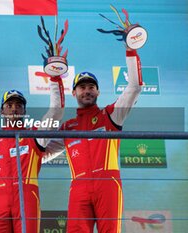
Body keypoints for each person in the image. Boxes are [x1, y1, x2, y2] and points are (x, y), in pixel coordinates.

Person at [48, 48, 142, 233]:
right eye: (82, 87)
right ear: (74, 92)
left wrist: (131, 50)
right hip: (79, 186)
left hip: (107, 183)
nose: (87, 91)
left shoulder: (110, 115)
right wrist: (53, 78)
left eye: (91, 87)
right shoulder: (68, 127)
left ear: (98, 91)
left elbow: (135, 87)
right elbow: (41, 151)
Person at [0, 75, 65, 233]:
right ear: (2, 111)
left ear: (24, 111)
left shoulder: (35, 134)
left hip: (26, 198)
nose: (14, 108)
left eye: (18, 105)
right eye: (9, 105)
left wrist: (54, 77)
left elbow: (56, 113)